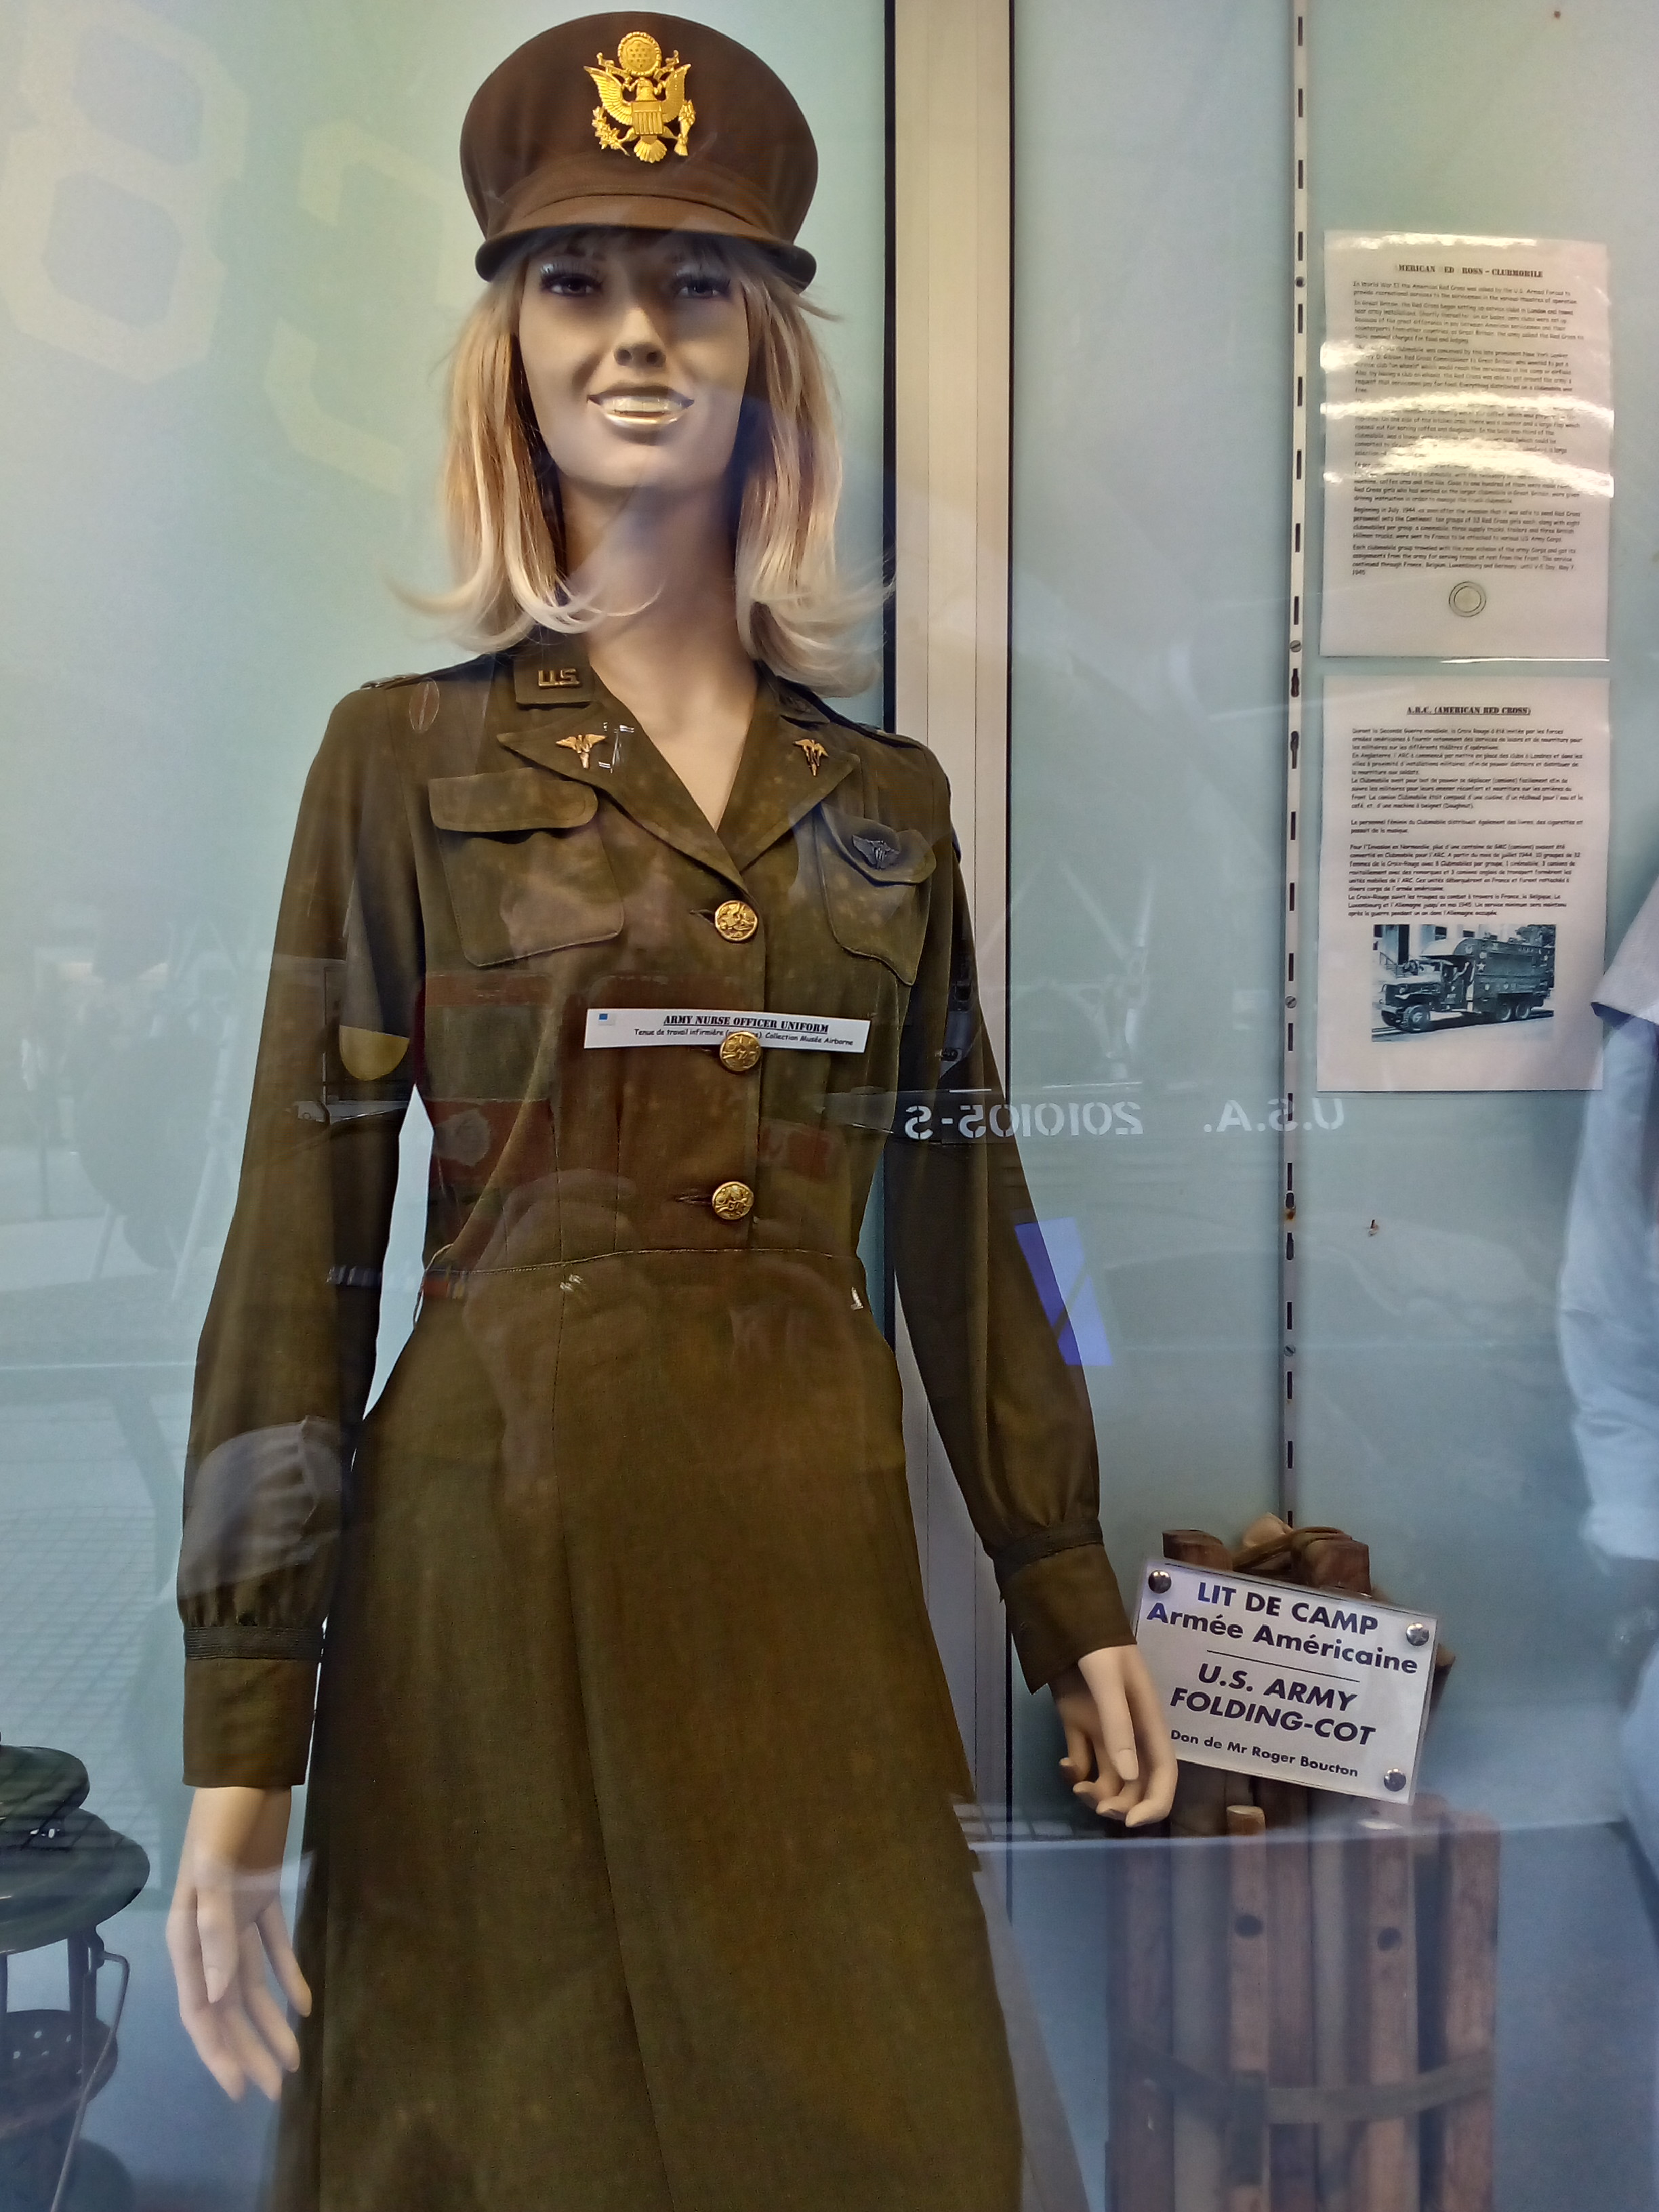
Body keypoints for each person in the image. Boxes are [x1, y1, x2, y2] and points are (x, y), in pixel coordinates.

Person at [165, 16, 1176, 2207]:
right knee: (504, 2147)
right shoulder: (399, 764)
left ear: (769, 353)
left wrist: (1064, 1574)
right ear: (511, 347)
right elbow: (297, 1249)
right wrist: (246, 1729)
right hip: (488, 1580)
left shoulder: (883, 806)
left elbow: (977, 1218)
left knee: (892, 2135)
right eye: (575, 281)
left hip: (808, 1580)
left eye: (695, 282)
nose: (635, 335)